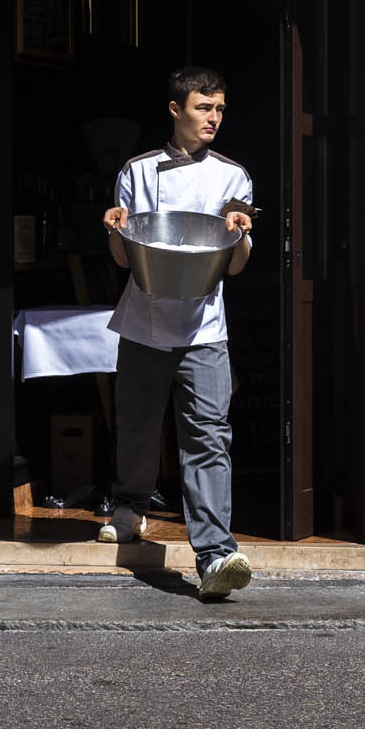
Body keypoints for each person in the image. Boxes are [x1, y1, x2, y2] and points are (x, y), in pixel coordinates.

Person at [99, 67, 257, 601]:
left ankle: (215, 555)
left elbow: (233, 269)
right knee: (139, 423)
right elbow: (126, 258)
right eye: (202, 108)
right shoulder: (138, 172)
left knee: (209, 434)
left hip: (205, 324)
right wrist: (116, 227)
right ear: (175, 109)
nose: (212, 118)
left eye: (218, 109)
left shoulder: (234, 177)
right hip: (144, 318)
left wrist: (239, 236)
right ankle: (131, 507)